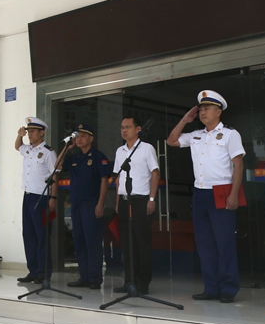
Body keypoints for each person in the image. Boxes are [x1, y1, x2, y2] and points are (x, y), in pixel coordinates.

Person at [168, 90, 245, 304]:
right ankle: (211, 288)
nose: (202, 112)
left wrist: (233, 193)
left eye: (207, 109)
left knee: (224, 242)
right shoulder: (196, 135)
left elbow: (238, 164)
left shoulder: (230, 134)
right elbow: (171, 141)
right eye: (200, 109)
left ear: (218, 111)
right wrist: (185, 120)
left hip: (222, 191)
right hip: (200, 192)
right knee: (204, 244)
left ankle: (228, 288)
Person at [112, 117, 160, 294]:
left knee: (142, 243)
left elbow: (155, 174)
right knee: (127, 243)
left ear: (138, 129)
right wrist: (117, 202)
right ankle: (129, 281)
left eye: (128, 127)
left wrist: (152, 199)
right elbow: (118, 179)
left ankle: (142, 283)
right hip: (125, 201)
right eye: (122, 127)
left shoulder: (147, 148)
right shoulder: (120, 151)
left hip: (141, 201)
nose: (124, 130)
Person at [60, 124, 111, 289]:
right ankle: (84, 277)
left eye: (83, 136)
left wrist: (100, 204)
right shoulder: (74, 158)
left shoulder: (98, 157)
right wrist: (67, 148)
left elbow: (104, 181)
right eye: (77, 136)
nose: (79, 139)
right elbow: (57, 166)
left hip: (91, 205)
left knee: (93, 242)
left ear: (91, 138)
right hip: (76, 205)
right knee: (79, 242)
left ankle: (95, 278)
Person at [14, 117, 57, 284]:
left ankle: (43, 272)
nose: (29, 134)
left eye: (32, 132)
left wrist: (53, 197)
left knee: (42, 236)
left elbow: (55, 174)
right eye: (28, 131)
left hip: (42, 197)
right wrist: (20, 135)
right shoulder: (28, 150)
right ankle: (32, 270)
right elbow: (17, 146)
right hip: (28, 196)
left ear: (42, 132)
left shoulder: (48, 152)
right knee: (29, 235)